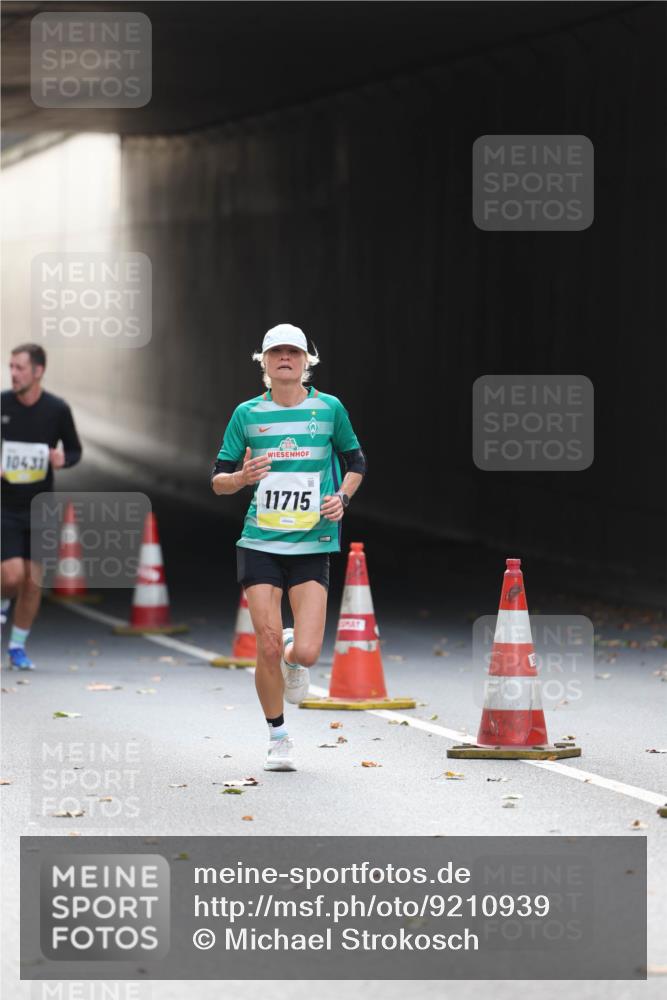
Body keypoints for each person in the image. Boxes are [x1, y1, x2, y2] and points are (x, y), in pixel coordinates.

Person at [211, 324, 366, 771]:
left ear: (305, 361)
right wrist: (241, 478)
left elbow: (356, 460)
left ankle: (295, 657)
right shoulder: (246, 415)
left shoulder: (329, 409)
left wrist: (343, 497)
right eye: (276, 352)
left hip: (313, 541)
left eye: (293, 353)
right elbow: (218, 479)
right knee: (266, 642)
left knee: (308, 652)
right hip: (260, 540)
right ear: (263, 361)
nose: (285, 358)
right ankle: (278, 736)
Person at [1, 344, 82, 669]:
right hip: (5, 504)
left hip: (41, 507)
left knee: (33, 581)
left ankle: (17, 647)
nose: (14, 373)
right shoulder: (3, 404)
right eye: (11, 367)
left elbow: (75, 450)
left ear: (38, 372)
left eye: (20, 367)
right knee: (11, 575)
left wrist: (64, 459)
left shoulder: (57, 409)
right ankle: (4, 600)